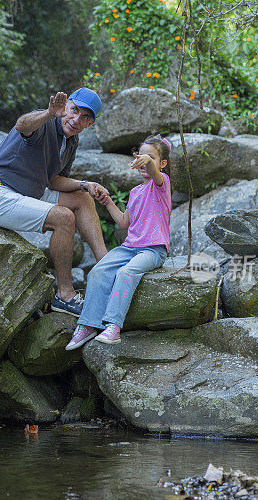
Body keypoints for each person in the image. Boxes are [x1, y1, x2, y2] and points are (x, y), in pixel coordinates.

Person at [0, 88, 109, 316]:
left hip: (24, 194)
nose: (75, 120)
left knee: (82, 197)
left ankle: (107, 268)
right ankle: (65, 295)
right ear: (65, 107)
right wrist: (48, 113)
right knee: (64, 218)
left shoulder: (71, 141)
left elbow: (53, 181)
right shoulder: (45, 120)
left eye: (85, 117)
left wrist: (85, 184)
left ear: (90, 124)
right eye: (73, 111)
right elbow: (22, 125)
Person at [65, 135, 172, 349]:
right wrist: (108, 202)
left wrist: (148, 162)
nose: (144, 160)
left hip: (153, 250)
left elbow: (153, 171)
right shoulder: (135, 192)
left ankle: (113, 325)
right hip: (129, 247)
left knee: (126, 273)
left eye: (150, 157)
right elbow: (124, 222)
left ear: (162, 164)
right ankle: (88, 325)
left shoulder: (162, 184)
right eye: (140, 156)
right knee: (98, 271)